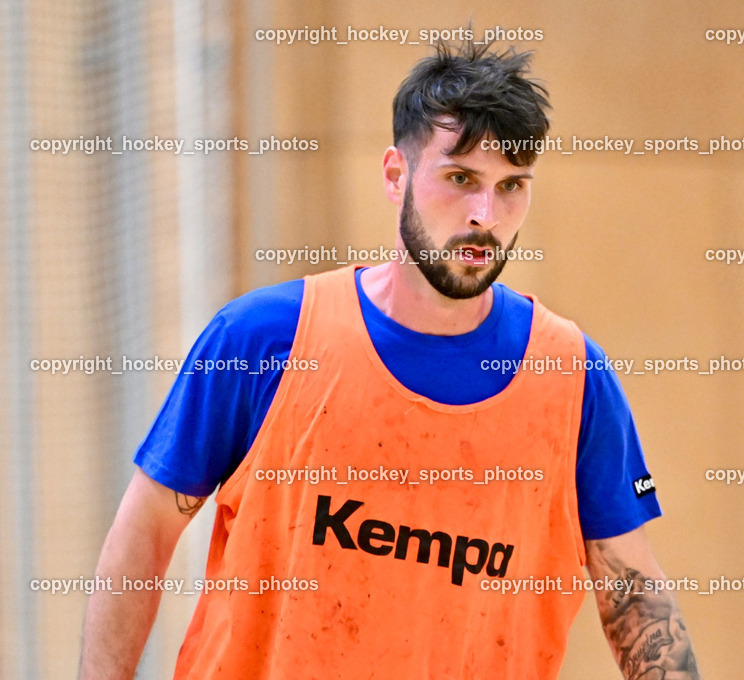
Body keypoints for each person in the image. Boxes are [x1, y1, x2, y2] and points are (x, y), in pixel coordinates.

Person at [79, 42, 701, 680]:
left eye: (511, 186)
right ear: (395, 174)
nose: (485, 215)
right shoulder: (263, 339)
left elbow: (634, 594)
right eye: (460, 178)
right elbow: (144, 535)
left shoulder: (570, 375)